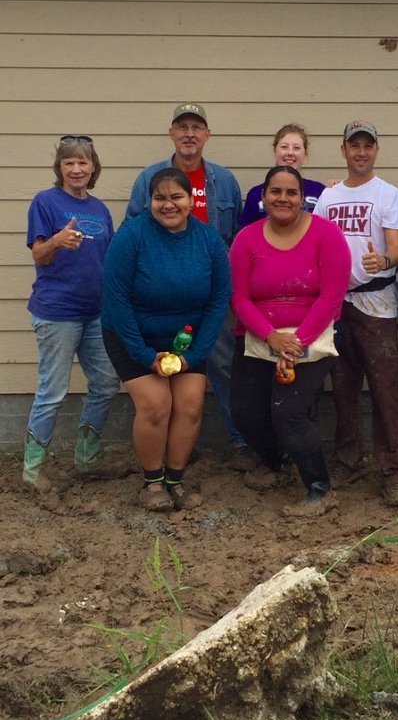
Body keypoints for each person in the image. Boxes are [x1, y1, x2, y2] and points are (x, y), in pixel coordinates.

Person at [103, 168, 231, 511]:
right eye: (160, 197)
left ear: (191, 201)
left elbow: (220, 298)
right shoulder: (130, 237)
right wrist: (146, 356)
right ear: (150, 201)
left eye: (177, 197)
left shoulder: (209, 240)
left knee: (190, 404)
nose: (168, 204)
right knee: (157, 405)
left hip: (186, 341)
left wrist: (197, 352)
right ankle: (152, 481)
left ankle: (175, 479)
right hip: (133, 335)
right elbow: (115, 300)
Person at [125, 104, 247, 463]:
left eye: (197, 127)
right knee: (166, 367)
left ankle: (239, 441)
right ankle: (168, 448)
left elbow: (236, 238)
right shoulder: (151, 177)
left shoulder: (223, 181)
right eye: (182, 127)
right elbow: (132, 234)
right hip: (161, 296)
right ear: (172, 134)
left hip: (213, 295)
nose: (189, 134)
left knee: (224, 366)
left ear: (207, 135)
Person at [229, 166, 351, 516]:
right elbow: (239, 299)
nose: (283, 198)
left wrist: (296, 343)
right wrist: (271, 337)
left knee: (289, 412)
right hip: (258, 337)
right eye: (275, 192)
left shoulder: (326, 235)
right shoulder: (247, 239)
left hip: (312, 338)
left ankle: (319, 489)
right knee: (247, 414)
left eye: (291, 192)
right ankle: (275, 463)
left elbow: (332, 295)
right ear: (264, 197)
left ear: (303, 198)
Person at [313, 120, 398, 506]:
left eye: (368, 145)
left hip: (377, 304)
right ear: (343, 150)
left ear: (376, 151)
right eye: (354, 145)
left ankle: (395, 470)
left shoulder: (388, 195)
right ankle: (348, 458)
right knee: (343, 385)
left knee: (386, 387)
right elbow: (317, 244)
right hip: (338, 304)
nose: (361, 152)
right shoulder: (328, 198)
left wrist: (383, 259)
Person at [23, 136, 119, 495]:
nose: (76, 169)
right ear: (59, 168)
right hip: (57, 313)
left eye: (83, 162)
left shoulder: (99, 209)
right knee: (53, 391)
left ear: (93, 167)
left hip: (96, 312)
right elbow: (38, 255)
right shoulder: (44, 203)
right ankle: (33, 470)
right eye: (69, 163)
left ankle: (86, 459)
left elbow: (108, 260)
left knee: (107, 383)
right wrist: (56, 241)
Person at [239, 123, 325, 227]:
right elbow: (246, 234)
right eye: (284, 147)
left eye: (296, 148)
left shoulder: (319, 191)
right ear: (275, 151)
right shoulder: (256, 194)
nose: (290, 152)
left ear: (305, 154)